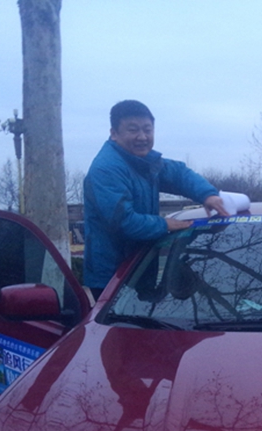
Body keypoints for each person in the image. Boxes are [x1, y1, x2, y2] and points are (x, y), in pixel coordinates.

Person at [83, 100, 229, 300]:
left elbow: (178, 174)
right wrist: (165, 224)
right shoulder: (106, 169)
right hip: (113, 276)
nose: (142, 137)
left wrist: (208, 194)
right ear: (114, 133)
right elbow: (123, 221)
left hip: (140, 267)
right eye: (133, 130)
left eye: (147, 130)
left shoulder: (144, 162)